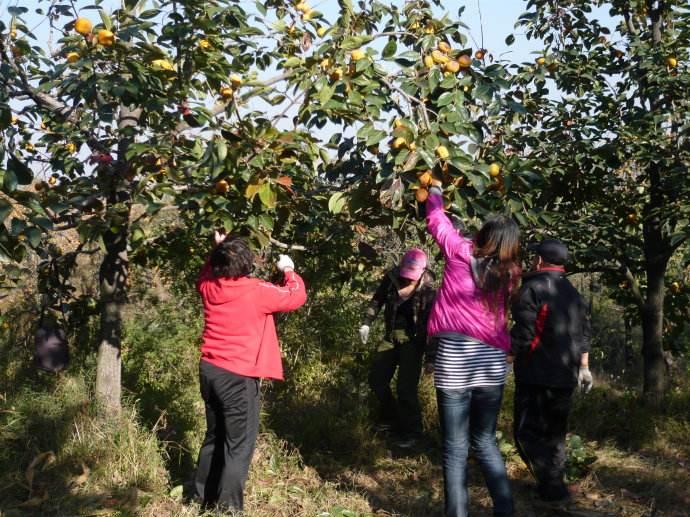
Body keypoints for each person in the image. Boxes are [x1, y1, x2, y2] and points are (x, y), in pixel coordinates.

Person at [424, 177, 519, 517]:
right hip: (492, 363)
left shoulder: (460, 251)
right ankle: (505, 511)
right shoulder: (511, 272)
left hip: (455, 359)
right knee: (485, 440)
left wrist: (435, 189)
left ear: (482, 236)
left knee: (455, 448)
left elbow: (436, 221)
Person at [194, 231, 307, 512]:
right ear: (246, 265)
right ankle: (228, 508)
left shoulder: (209, 285)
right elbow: (296, 297)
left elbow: (209, 270)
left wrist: (219, 248)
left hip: (210, 370)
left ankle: (201, 498)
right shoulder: (257, 291)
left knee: (214, 436)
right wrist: (289, 270)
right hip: (238, 377)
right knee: (238, 446)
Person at [510, 238, 592, 505]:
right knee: (555, 434)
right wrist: (584, 367)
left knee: (526, 432)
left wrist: (507, 355)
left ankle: (552, 486)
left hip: (536, 373)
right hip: (566, 374)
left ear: (539, 261)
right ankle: (553, 487)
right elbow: (584, 334)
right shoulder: (573, 292)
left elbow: (525, 335)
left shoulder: (532, 288)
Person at [358, 248, 436, 448]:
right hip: (391, 336)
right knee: (377, 380)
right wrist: (367, 322)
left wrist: (430, 357)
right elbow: (378, 299)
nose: (408, 280)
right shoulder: (392, 278)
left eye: (413, 276)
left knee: (406, 389)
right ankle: (390, 420)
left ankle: (412, 432)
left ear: (422, 271)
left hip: (413, 340)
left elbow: (432, 324)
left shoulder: (428, 288)